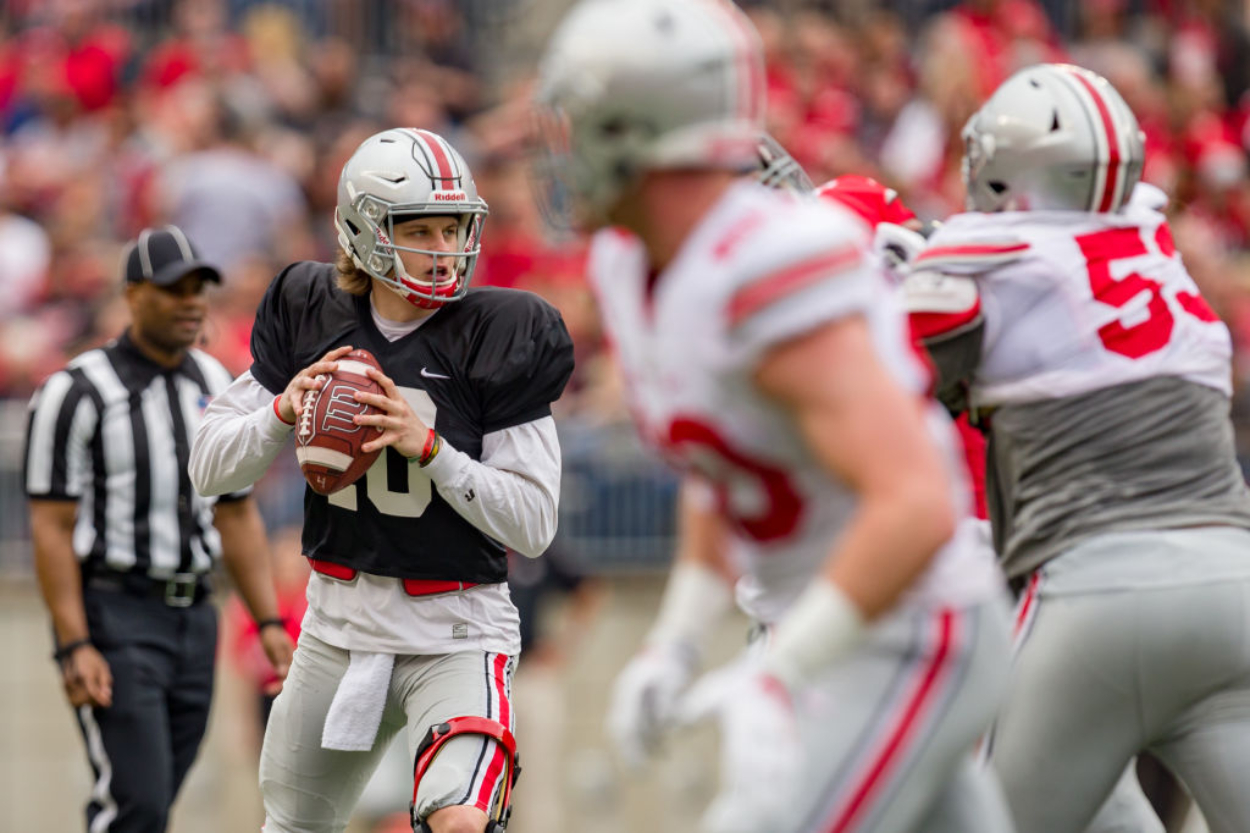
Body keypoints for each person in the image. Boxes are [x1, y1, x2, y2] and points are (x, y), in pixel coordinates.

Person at [535, 3, 1012, 832]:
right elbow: (716, 469)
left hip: (907, 629)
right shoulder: (629, 262)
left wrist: (781, 667)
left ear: (637, 127)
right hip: (830, 625)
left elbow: (915, 503)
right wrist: (678, 639)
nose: (564, 148)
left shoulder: (765, 264)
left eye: (583, 121)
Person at [189, 127, 575, 833]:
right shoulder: (311, 310)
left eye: (453, 226)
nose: (442, 246)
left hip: (455, 628)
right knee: (290, 821)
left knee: (460, 819)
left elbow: (533, 522)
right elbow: (209, 464)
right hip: (338, 625)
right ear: (363, 231)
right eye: (419, 228)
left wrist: (431, 449)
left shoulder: (499, 332)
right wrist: (282, 409)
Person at [906, 62, 1250, 833]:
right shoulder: (1158, 250)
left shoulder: (971, 264)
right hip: (1236, 588)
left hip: (1099, 595)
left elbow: (888, 375)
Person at [24, 225, 294, 833]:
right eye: (174, 289)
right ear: (134, 294)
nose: (191, 302)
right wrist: (74, 642)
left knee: (155, 797)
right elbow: (50, 525)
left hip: (196, 613)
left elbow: (235, 510)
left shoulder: (214, 381)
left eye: (200, 288)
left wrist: (268, 620)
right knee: (135, 801)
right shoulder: (77, 391)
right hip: (118, 611)